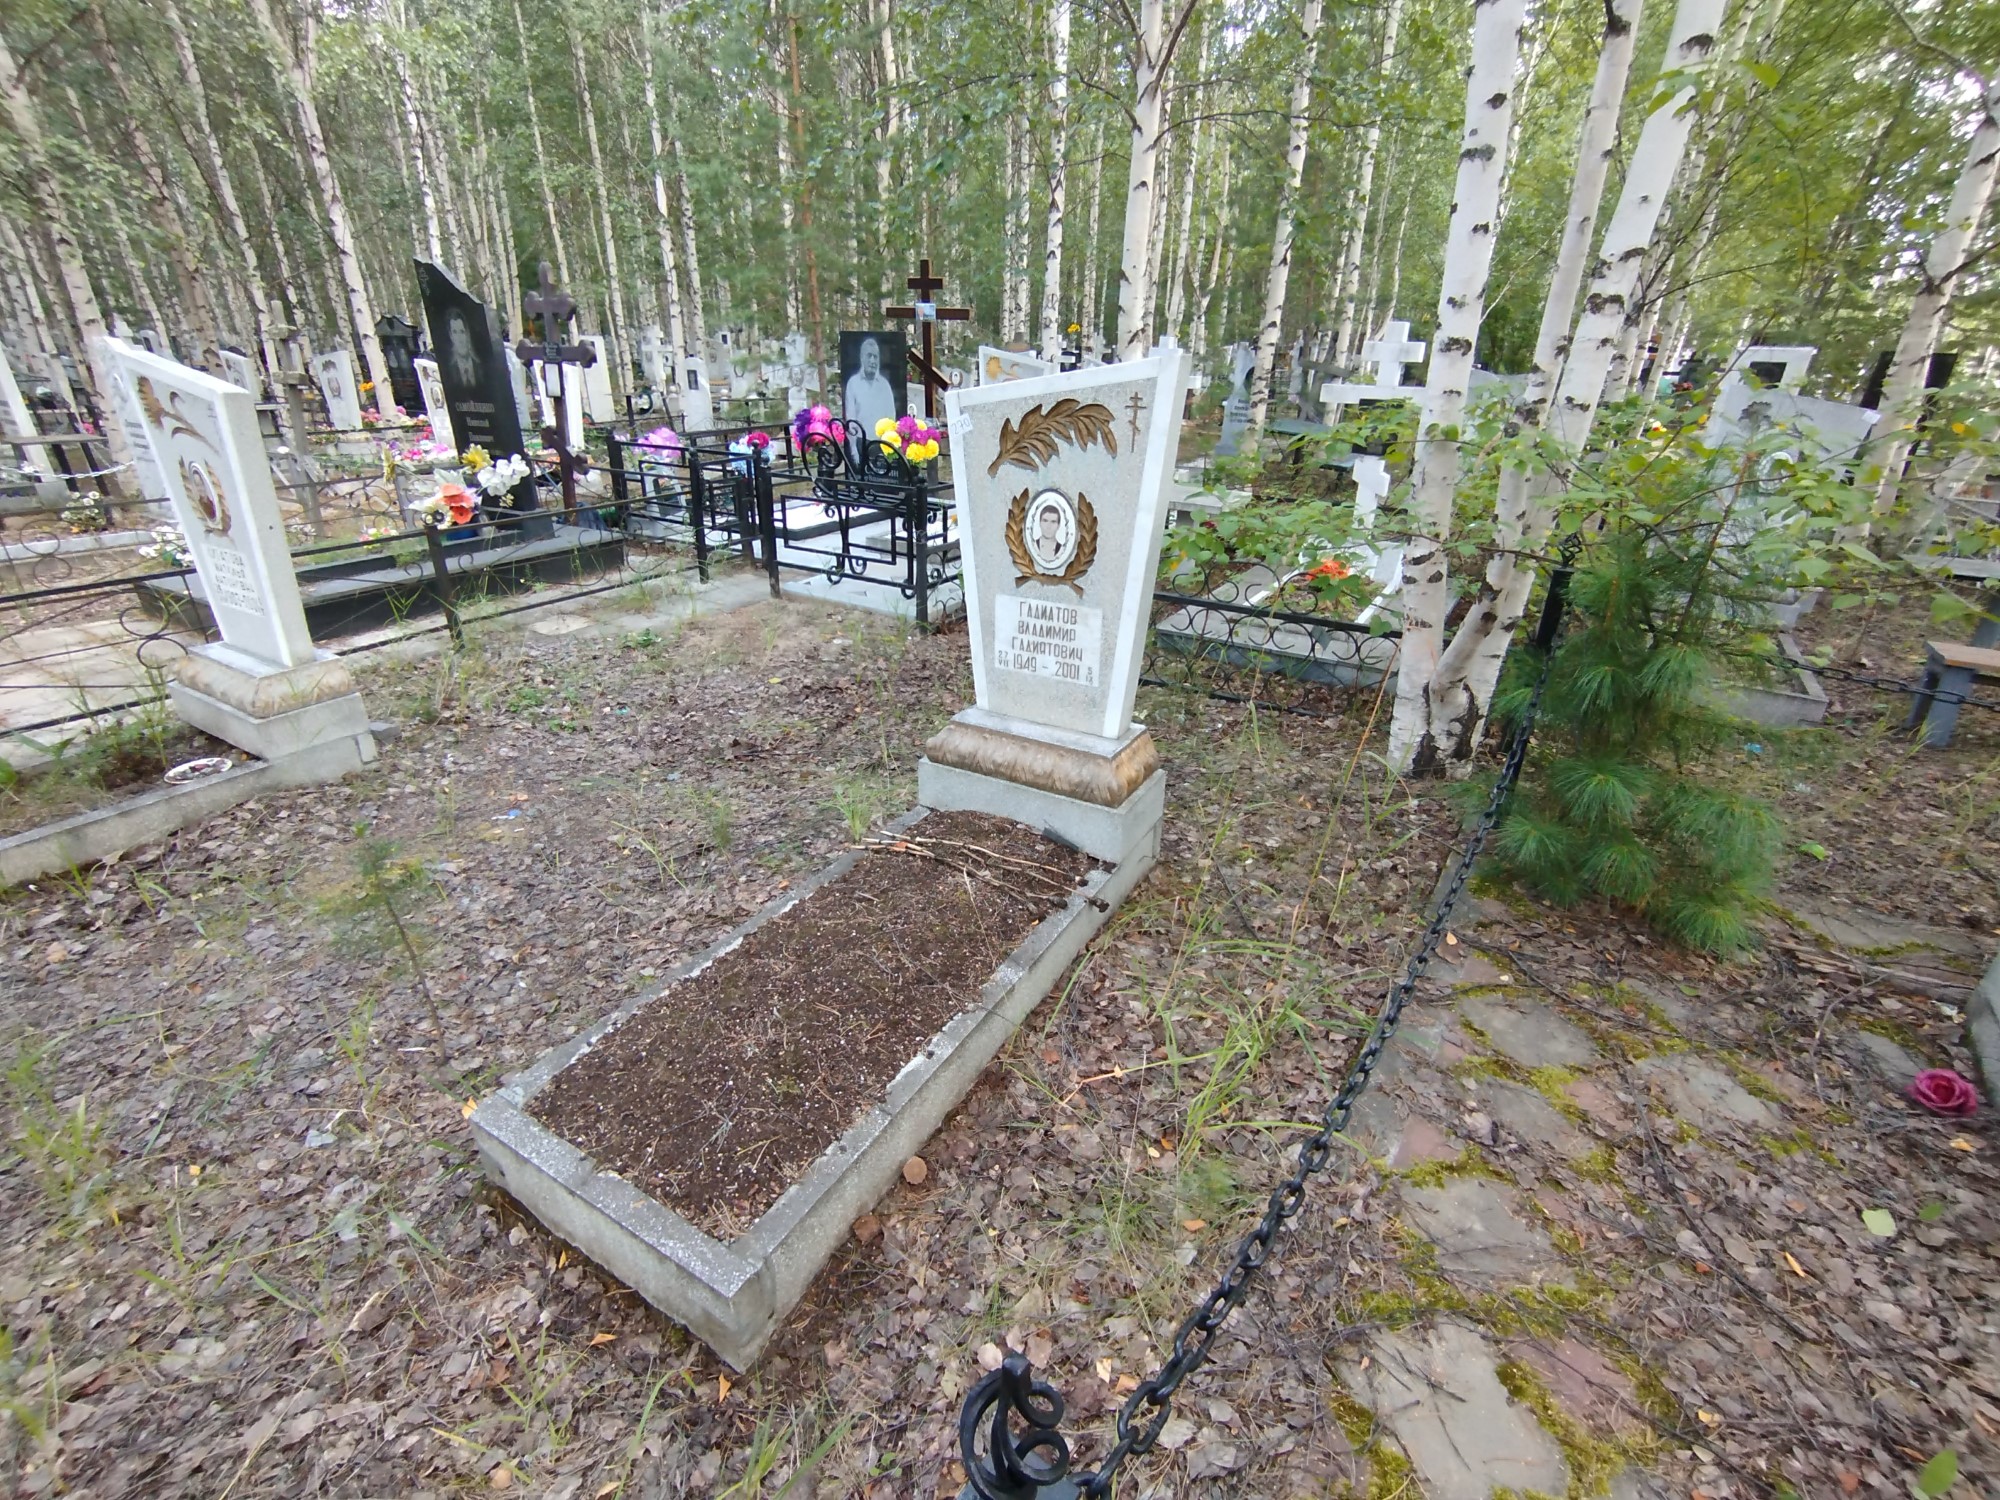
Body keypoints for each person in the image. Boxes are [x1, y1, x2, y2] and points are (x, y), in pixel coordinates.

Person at [843, 337, 897, 434]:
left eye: (875, 357)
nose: (872, 361)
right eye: (869, 356)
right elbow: (851, 421)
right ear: (862, 358)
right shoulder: (853, 383)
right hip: (860, 440)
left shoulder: (885, 386)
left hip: (881, 441)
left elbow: (891, 418)